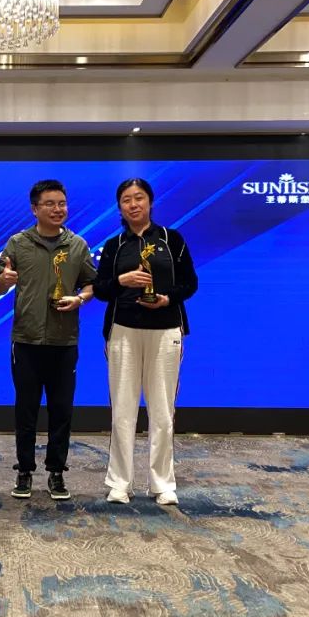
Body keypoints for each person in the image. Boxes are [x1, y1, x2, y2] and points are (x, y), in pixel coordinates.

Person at [92, 178, 197, 506]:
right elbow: (100, 289)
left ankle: (162, 483)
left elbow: (190, 283)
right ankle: (119, 482)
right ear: (119, 207)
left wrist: (167, 299)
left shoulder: (171, 239)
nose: (133, 204)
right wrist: (121, 280)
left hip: (166, 331)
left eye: (139, 198)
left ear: (150, 202)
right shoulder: (114, 244)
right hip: (123, 331)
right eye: (126, 200)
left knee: (163, 411)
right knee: (122, 410)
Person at [0, 180, 96, 500]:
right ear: (35, 209)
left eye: (61, 203)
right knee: (26, 410)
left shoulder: (77, 245)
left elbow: (92, 284)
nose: (57, 209)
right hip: (26, 340)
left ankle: (56, 472)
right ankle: (24, 470)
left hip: (64, 342)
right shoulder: (18, 243)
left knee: (61, 410)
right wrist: (3, 280)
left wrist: (79, 299)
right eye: (49, 204)